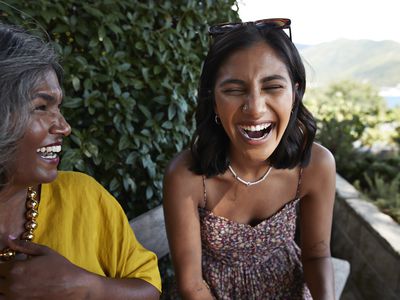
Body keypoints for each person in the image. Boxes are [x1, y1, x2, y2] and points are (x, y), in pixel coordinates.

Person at [163, 18, 336, 300]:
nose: (255, 108)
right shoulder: (186, 177)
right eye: (233, 90)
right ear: (213, 99)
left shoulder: (315, 165)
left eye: (272, 87)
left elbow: (317, 255)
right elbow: (192, 285)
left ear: (295, 92)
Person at [0, 23, 161, 299]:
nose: (64, 127)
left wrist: (86, 286)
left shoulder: (84, 197)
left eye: (58, 107)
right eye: (41, 107)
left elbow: (149, 288)